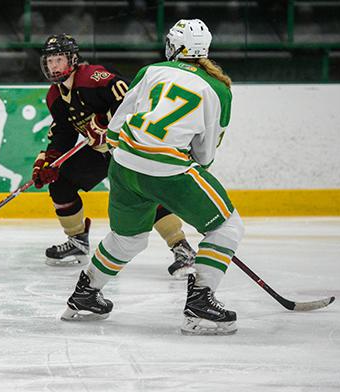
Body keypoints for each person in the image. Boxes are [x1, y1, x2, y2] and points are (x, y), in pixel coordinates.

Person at [60, 20, 244, 336]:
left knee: (127, 238)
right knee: (226, 226)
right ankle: (200, 302)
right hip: (168, 170)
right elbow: (205, 157)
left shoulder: (151, 71)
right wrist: (169, 175)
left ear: (174, 47)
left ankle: (86, 294)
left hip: (123, 165)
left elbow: (116, 130)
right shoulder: (219, 90)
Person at [33, 33, 196, 278]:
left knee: (145, 192)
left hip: (130, 146)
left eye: (59, 60)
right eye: (50, 61)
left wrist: (104, 121)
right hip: (102, 152)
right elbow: (64, 132)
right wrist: (51, 161)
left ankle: (181, 247)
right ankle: (77, 242)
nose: (53, 66)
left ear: (73, 59)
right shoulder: (54, 96)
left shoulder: (92, 77)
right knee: (61, 182)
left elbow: (130, 97)